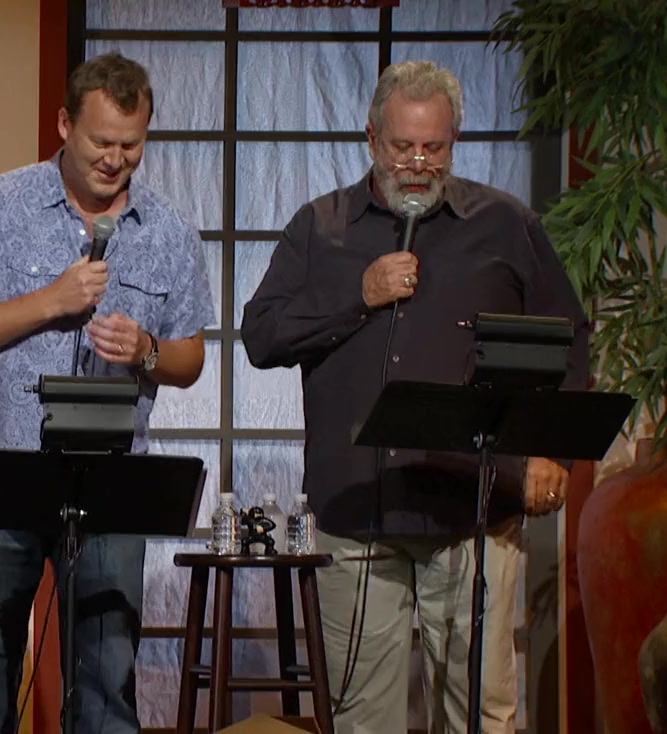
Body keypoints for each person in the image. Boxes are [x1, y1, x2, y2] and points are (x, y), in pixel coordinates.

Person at [241, 61, 588, 734]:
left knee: (480, 714)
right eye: (403, 147)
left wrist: (550, 451)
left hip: (473, 510)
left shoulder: (505, 224)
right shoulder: (321, 228)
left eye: (434, 147)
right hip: (355, 514)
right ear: (372, 138)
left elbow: (570, 337)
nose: (419, 164)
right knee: (362, 719)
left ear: (455, 141)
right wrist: (358, 296)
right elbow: (261, 336)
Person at [0, 52, 215, 733]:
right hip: (3, 473)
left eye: (131, 146)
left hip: (113, 483)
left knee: (107, 686)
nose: (115, 160)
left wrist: (146, 350)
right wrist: (49, 302)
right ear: (64, 124)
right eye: (101, 142)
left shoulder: (169, 231)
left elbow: (190, 358)